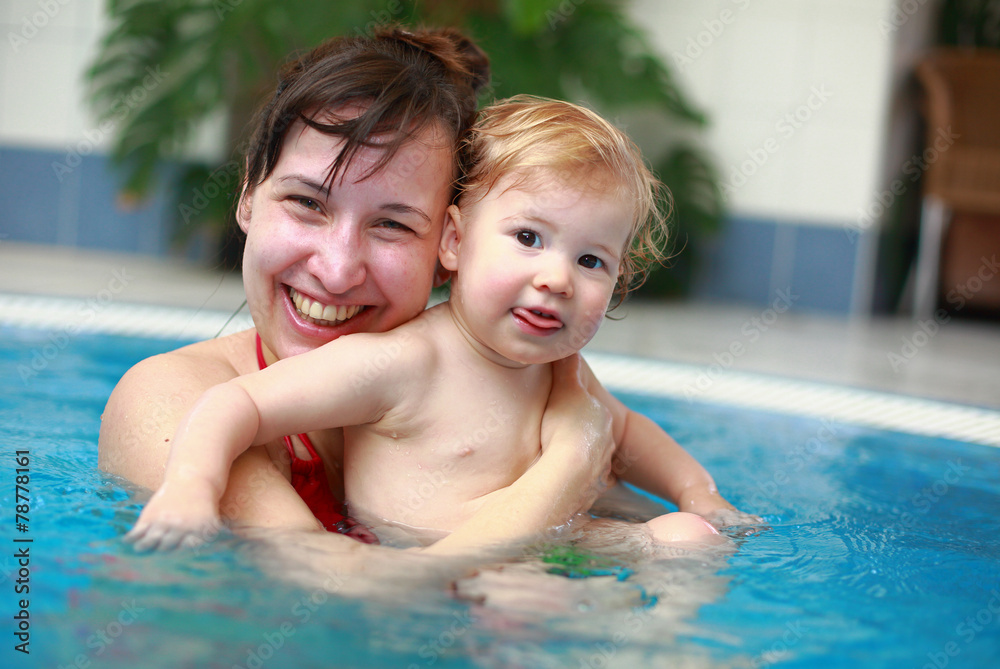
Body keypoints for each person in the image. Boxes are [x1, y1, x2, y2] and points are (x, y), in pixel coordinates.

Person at [127, 96, 743, 553]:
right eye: (528, 238)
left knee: (691, 540)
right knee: (525, 601)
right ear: (453, 239)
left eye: (590, 261)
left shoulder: (561, 371)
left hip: (551, 543)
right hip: (423, 567)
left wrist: (698, 492)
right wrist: (191, 484)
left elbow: (628, 432)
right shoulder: (405, 360)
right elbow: (236, 403)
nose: (557, 278)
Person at [99, 26, 627, 558]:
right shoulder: (168, 402)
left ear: (452, 249)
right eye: (307, 203)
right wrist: (569, 466)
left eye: (393, 225)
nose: (336, 271)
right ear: (247, 201)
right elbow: (341, 599)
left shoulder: (520, 398)